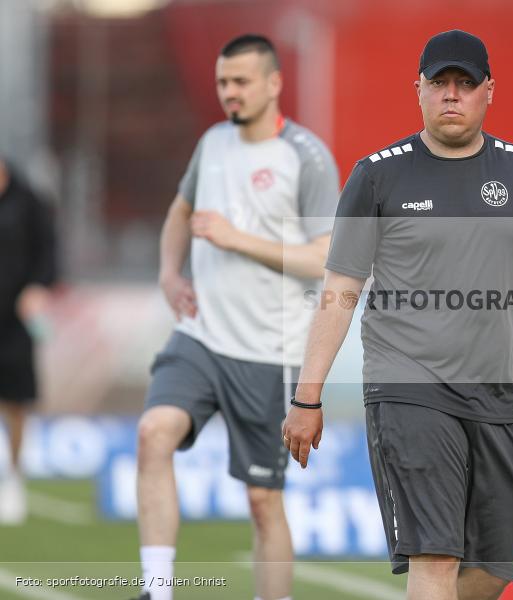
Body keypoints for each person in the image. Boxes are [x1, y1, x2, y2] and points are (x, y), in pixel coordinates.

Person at [282, 30, 513, 600]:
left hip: (498, 395)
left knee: (498, 563)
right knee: (437, 555)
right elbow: (340, 290)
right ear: (416, 90)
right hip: (409, 390)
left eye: (465, 84)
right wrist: (307, 395)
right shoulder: (377, 175)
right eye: (439, 83)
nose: (451, 95)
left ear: (489, 92)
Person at [133, 35, 339, 600]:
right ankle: (157, 590)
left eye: (241, 81)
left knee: (262, 501)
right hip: (201, 337)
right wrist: (168, 274)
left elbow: (325, 259)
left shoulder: (307, 156)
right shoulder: (213, 142)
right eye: (223, 82)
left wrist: (236, 240)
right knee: (154, 432)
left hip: (271, 354)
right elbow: (181, 208)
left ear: (273, 83)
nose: (230, 93)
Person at [0, 158, 57, 526]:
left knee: (16, 400)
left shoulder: (28, 198)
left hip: (16, 316)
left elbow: (49, 250)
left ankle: (14, 480)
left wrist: (39, 287)